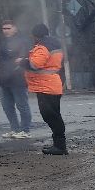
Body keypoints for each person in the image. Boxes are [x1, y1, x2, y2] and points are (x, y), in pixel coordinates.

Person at [23, 23, 68, 155]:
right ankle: (59, 144)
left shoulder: (43, 46)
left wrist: (22, 62)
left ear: (36, 35)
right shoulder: (54, 45)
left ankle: (60, 146)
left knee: (50, 115)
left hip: (46, 86)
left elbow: (35, 64)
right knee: (54, 115)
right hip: (51, 85)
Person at [0, 20, 33, 138]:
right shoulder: (2, 43)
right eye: (4, 29)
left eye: (8, 28)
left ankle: (25, 130)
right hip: (4, 78)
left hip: (18, 78)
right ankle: (15, 129)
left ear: (15, 28)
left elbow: (24, 58)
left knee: (22, 105)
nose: (6, 31)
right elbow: (1, 58)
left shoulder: (22, 41)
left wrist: (18, 62)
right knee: (7, 106)